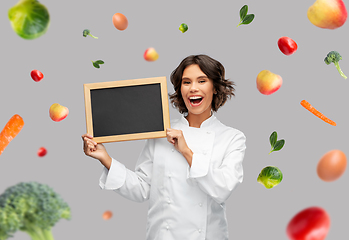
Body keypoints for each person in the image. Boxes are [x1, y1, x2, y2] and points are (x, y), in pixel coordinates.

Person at [82, 54, 246, 240]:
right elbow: (143, 188)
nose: (193, 88)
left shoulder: (232, 138)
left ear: (215, 88)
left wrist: (186, 151)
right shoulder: (162, 133)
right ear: (180, 89)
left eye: (202, 81)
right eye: (186, 82)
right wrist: (106, 159)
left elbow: (222, 189)